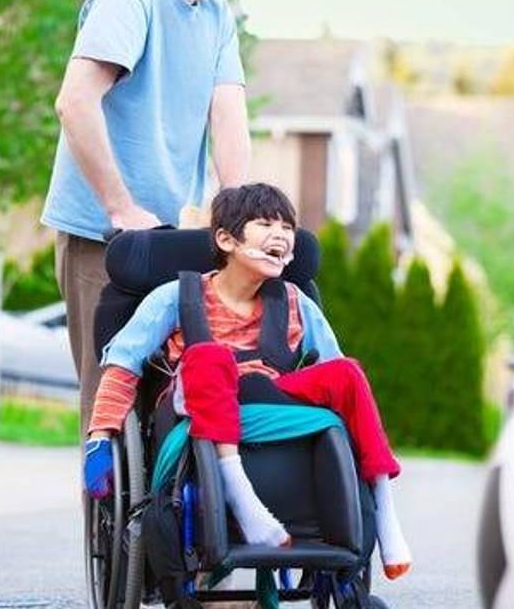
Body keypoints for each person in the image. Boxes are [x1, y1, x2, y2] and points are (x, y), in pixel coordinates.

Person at [82, 184, 413, 580]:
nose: (282, 234)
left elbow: (333, 367)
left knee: (348, 372)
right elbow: (123, 365)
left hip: (269, 394)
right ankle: (242, 498)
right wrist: (100, 437)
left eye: (288, 226)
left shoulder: (295, 301)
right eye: (265, 223)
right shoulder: (176, 296)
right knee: (209, 355)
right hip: (198, 397)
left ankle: (383, 510)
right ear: (226, 239)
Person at [41, 0, 270, 432]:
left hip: (171, 238)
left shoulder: (215, 17)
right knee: (110, 407)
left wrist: (240, 218)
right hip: (104, 237)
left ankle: (166, 516)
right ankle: (106, 517)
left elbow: (228, 117)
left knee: (173, 395)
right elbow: (75, 103)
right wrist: (120, 206)